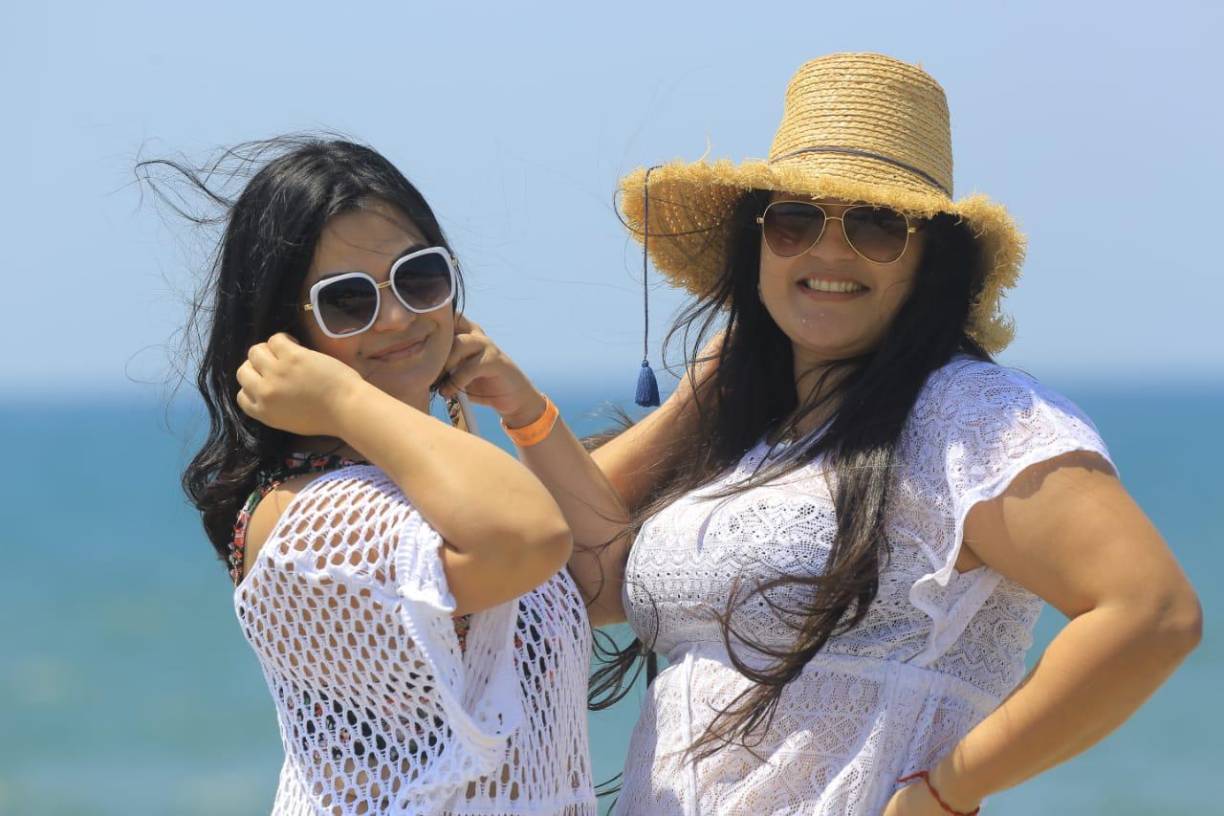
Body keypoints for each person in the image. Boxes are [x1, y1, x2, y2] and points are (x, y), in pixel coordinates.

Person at [474, 53, 1202, 814]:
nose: (828, 251)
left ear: (931, 259)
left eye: (876, 225)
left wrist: (947, 792)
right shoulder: (761, 432)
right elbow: (564, 576)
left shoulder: (970, 414)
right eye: (794, 221)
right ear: (755, 242)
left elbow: (1150, 614)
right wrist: (552, 409)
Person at [149, 138, 597, 815]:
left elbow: (600, 567)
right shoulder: (309, 520)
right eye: (347, 301)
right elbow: (530, 538)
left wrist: (523, 407)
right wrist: (345, 400)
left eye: (419, 279)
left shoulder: (419, 484)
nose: (397, 318)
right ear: (285, 335)